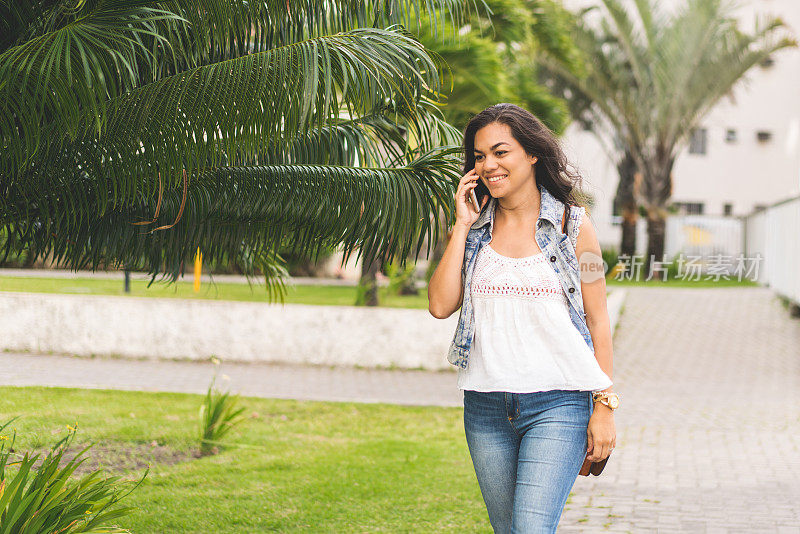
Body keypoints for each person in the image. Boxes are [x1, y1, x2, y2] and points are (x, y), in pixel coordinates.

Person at [427, 103, 619, 533]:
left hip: (559, 404)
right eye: (479, 157)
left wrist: (604, 405)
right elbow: (440, 305)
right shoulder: (474, 228)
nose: (488, 165)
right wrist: (460, 226)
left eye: (500, 152)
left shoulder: (575, 226)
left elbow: (598, 317)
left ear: (531, 154)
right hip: (486, 406)